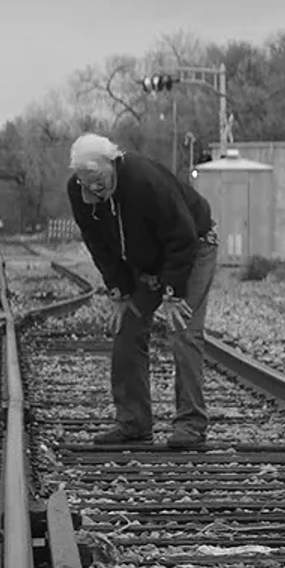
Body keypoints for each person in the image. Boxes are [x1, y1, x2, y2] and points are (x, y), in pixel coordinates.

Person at [65, 133, 221, 448]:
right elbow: (100, 246)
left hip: (193, 246)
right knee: (128, 327)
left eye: (98, 180)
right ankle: (133, 422)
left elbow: (182, 236)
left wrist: (174, 293)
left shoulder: (142, 180)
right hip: (146, 261)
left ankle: (190, 425)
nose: (94, 189)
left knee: (183, 330)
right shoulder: (80, 193)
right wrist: (119, 290)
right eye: (85, 182)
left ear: (113, 163)